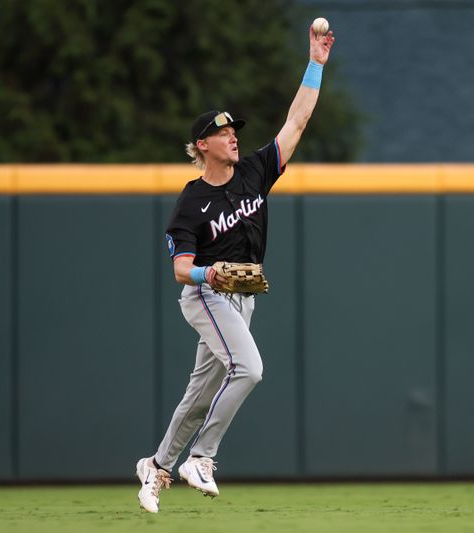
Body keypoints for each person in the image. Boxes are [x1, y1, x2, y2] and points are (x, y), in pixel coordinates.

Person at [135, 23, 335, 513]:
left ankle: (156, 467)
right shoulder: (191, 200)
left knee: (201, 392)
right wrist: (211, 274)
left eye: (232, 132)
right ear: (201, 145)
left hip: (243, 296)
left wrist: (315, 64)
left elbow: (296, 123)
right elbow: (182, 269)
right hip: (206, 294)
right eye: (222, 133)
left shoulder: (253, 172)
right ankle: (201, 457)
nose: (232, 137)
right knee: (249, 369)